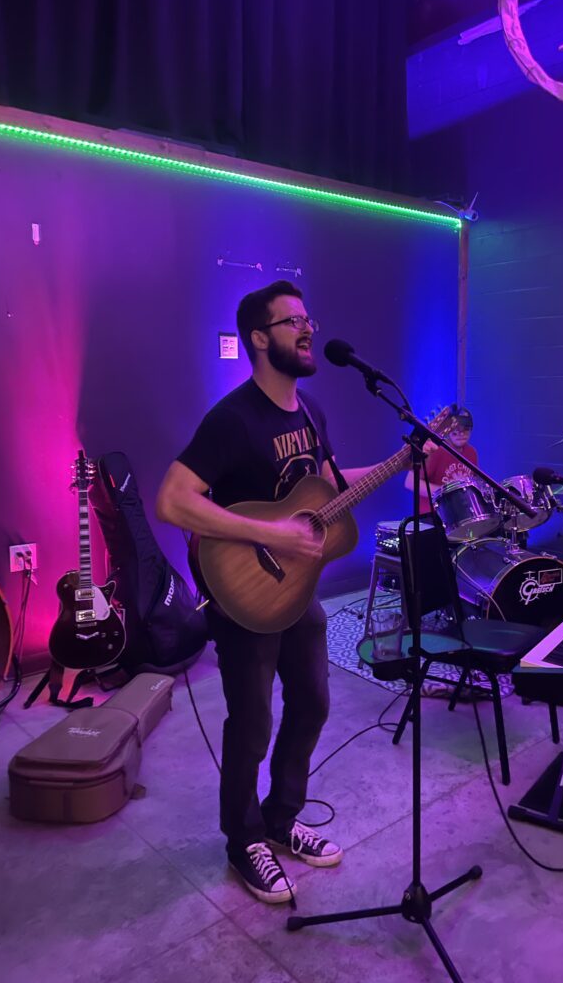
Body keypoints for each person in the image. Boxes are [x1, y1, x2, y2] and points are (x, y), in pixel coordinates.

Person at [156, 280, 394, 905]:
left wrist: (402, 461)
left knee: (313, 702)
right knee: (253, 721)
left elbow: (327, 486)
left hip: (296, 592)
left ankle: (284, 820)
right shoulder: (232, 419)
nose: (308, 330)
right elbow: (173, 499)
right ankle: (244, 841)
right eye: (292, 322)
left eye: (308, 319)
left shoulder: (312, 412)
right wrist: (269, 533)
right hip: (245, 593)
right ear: (259, 339)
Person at [404, 407, 479, 514]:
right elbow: (409, 482)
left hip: (460, 514)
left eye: (465, 428)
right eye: (456, 429)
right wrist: (446, 492)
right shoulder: (435, 450)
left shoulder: (471, 453)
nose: (460, 433)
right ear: (448, 430)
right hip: (432, 516)